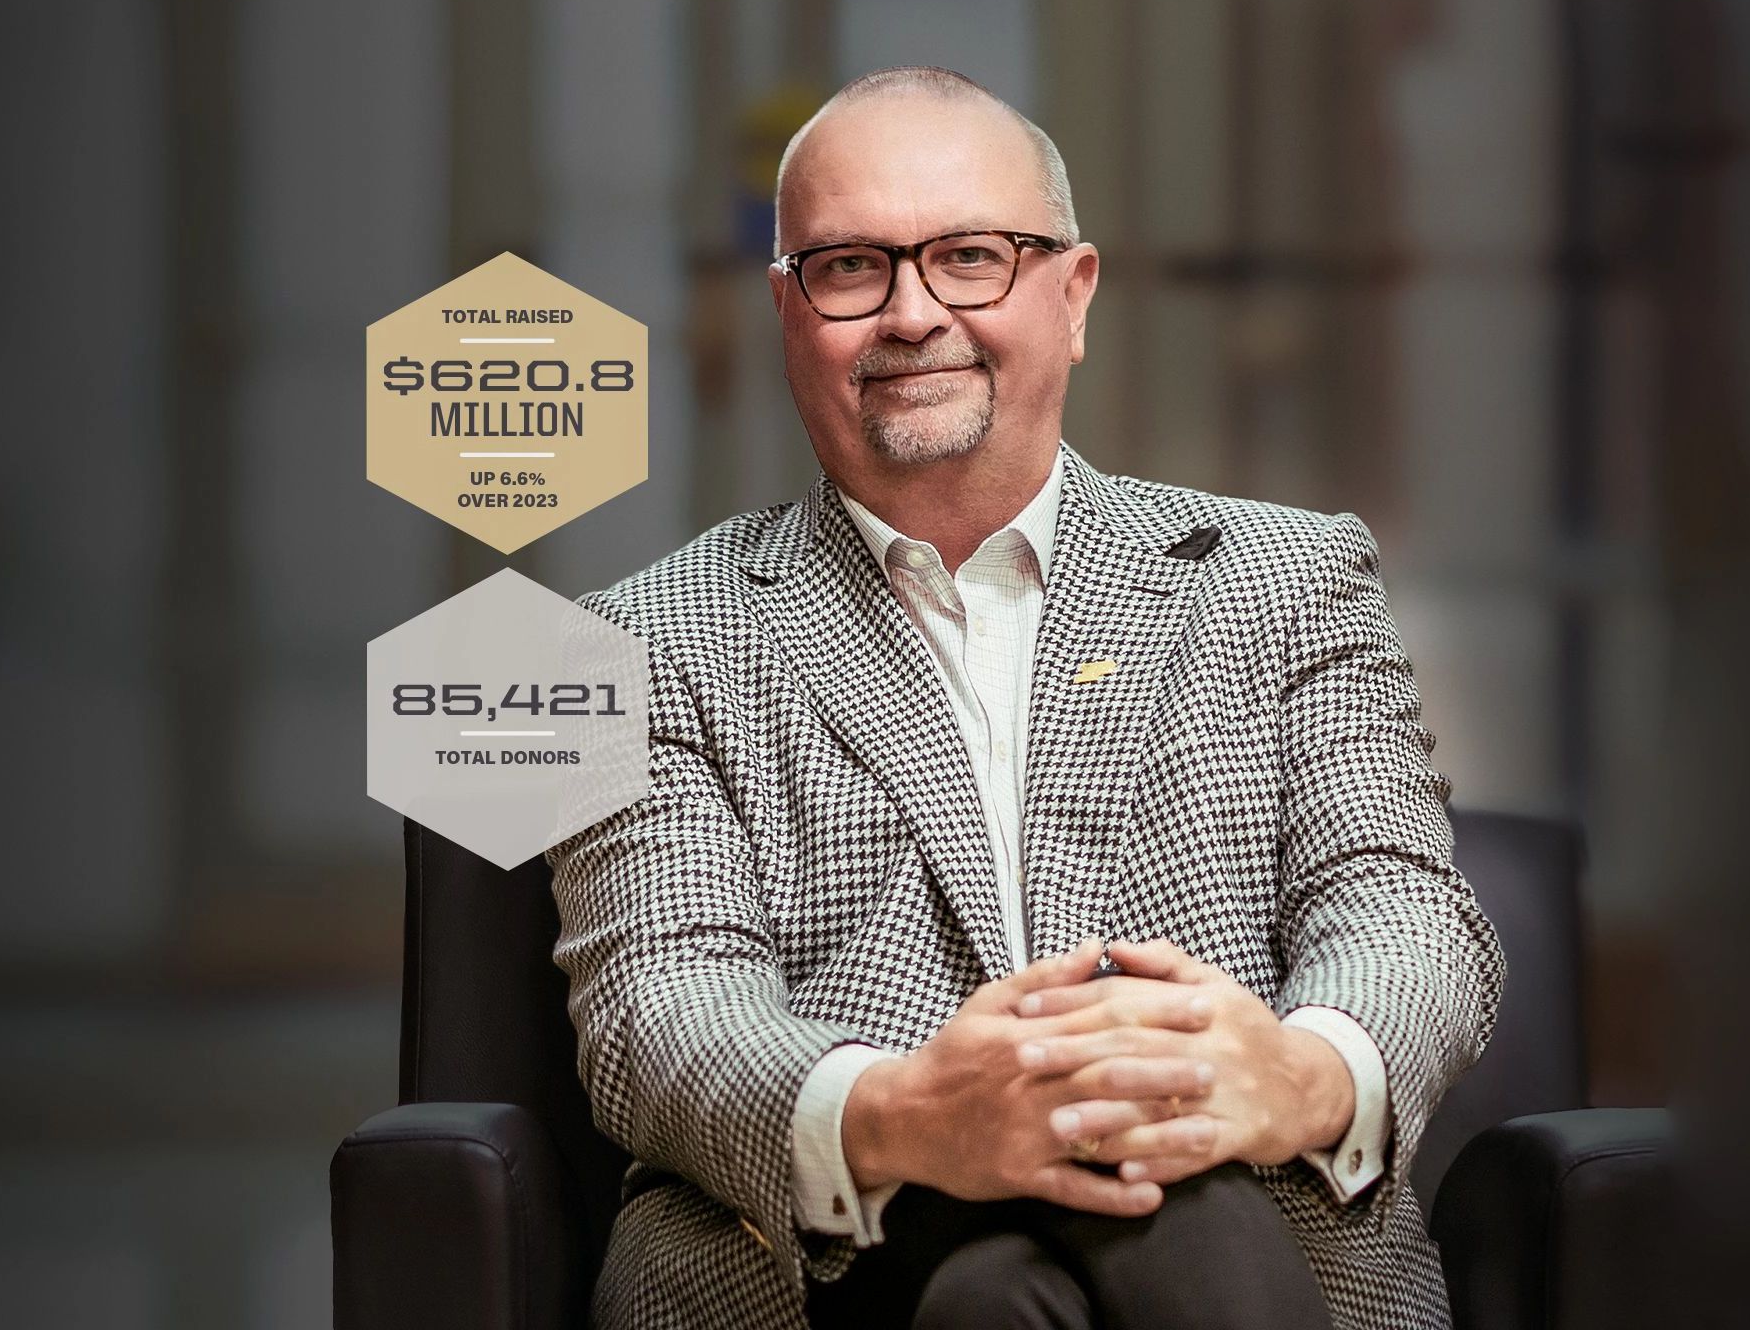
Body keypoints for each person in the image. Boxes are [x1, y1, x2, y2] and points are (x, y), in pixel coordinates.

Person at [548, 66, 1504, 1329]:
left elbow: (1401, 907)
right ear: (788, 311)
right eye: (847, 268)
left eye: (971, 257)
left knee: (1035, 1287)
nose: (910, 311)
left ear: (1074, 295)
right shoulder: (633, 640)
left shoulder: (1289, 576)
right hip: (823, 1270)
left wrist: (1300, 1075)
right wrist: (912, 1118)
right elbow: (661, 1014)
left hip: (1261, 1236)